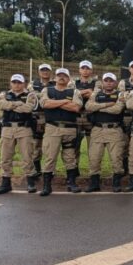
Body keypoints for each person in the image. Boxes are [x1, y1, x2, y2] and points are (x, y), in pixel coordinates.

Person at [39, 68, 84, 196]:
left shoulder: (74, 91)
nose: (62, 77)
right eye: (59, 75)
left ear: (69, 79)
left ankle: (71, 183)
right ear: (55, 78)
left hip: (70, 128)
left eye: (65, 76)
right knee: (50, 156)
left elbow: (76, 107)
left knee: (70, 157)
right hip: (52, 128)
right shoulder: (47, 90)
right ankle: (47, 186)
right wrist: (65, 101)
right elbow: (45, 104)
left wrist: (54, 103)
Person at [0, 74, 39, 194]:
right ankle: (5, 183)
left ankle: (30, 181)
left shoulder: (30, 94)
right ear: (10, 83)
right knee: (5, 157)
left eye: (19, 82)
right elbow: (1, 105)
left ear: (24, 83)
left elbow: (28, 109)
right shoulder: (4, 94)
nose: (16, 84)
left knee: (27, 156)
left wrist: (10, 106)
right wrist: (18, 104)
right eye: (14, 82)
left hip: (24, 128)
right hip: (7, 128)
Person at [85, 73, 125, 192]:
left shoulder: (120, 94)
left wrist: (98, 107)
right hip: (97, 130)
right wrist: (107, 104)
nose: (108, 82)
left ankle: (116, 183)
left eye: (111, 80)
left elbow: (117, 109)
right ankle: (94, 183)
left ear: (115, 82)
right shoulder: (96, 94)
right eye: (106, 80)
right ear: (102, 82)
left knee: (116, 158)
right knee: (94, 158)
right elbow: (88, 106)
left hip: (114, 130)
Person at [69, 60, 102, 177]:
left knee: (93, 147)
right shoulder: (73, 82)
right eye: (83, 68)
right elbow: (69, 94)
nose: (85, 70)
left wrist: (78, 93)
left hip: (90, 117)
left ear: (91, 70)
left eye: (87, 68)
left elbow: (96, 95)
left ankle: (93, 172)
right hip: (76, 117)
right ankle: (74, 169)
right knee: (74, 145)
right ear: (79, 70)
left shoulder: (97, 83)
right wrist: (87, 91)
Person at [28, 63, 56, 176]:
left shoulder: (55, 84)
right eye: (42, 70)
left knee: (50, 144)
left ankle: (49, 170)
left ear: (50, 72)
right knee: (36, 144)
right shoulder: (32, 84)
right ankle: (37, 169)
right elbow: (32, 96)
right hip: (36, 116)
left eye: (47, 70)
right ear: (39, 72)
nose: (45, 72)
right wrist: (48, 97)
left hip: (51, 116)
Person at [118, 60, 133, 174]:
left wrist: (130, 97)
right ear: (129, 69)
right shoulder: (123, 82)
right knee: (124, 143)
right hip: (126, 116)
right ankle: (125, 168)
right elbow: (120, 97)